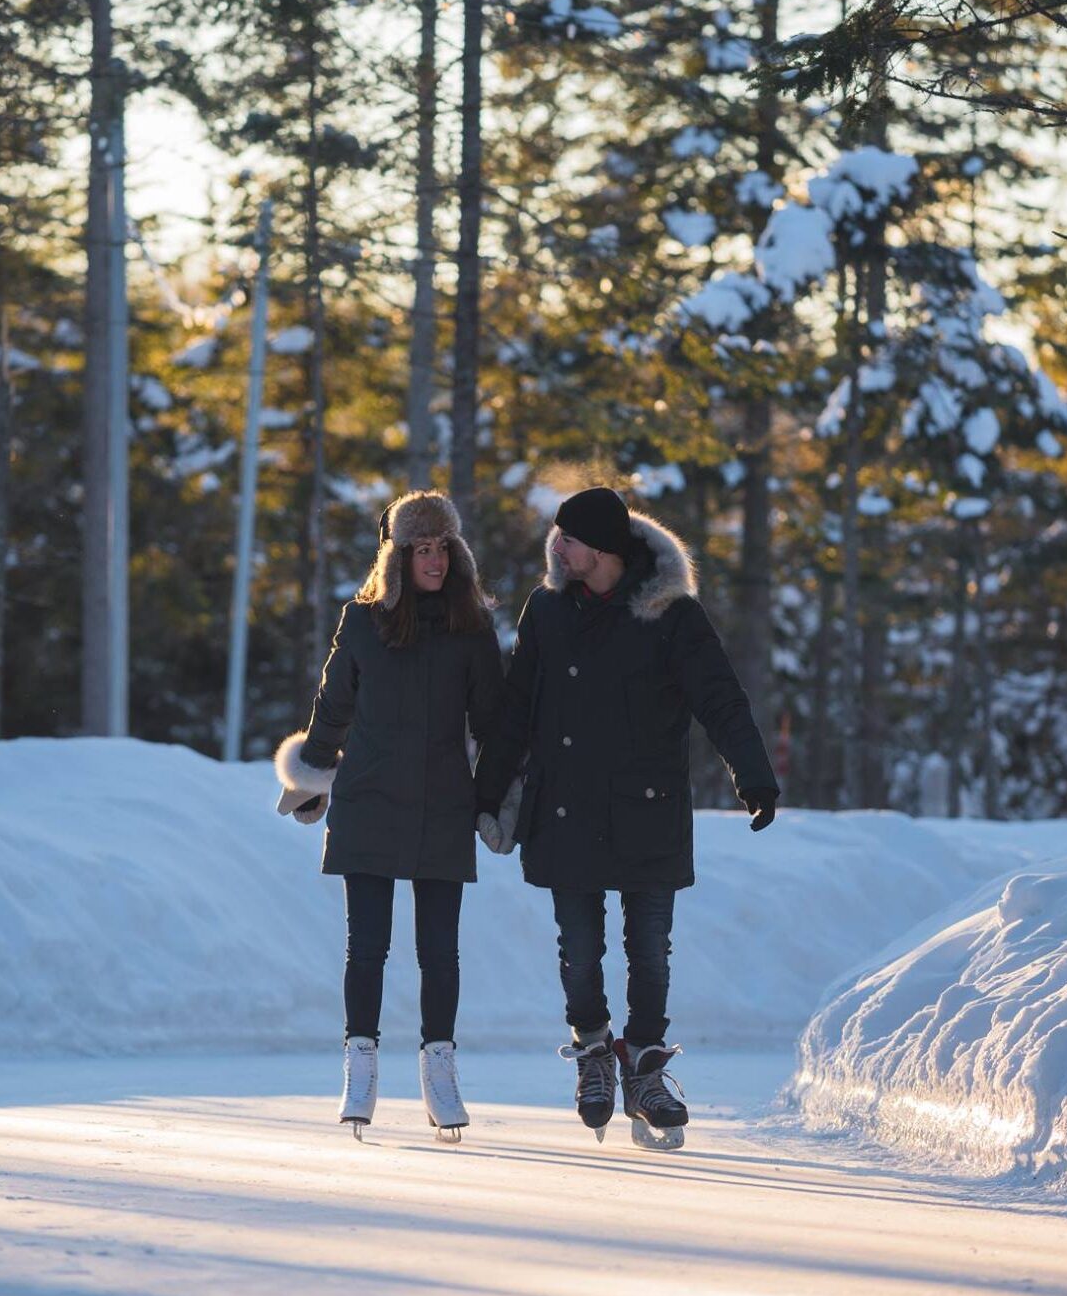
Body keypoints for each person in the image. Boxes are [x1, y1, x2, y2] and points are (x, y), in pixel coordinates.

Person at [473, 486, 778, 1150]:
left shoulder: (670, 614)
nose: (557, 544)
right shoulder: (547, 609)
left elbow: (719, 698)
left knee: (649, 952)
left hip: (647, 808)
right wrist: (485, 789)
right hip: (565, 806)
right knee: (579, 951)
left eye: (571, 536)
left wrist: (752, 773)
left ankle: (642, 1068)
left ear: (605, 549)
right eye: (558, 533)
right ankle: (592, 1051)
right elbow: (517, 705)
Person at [274, 490, 503, 1142]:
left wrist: (491, 799)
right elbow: (331, 708)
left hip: (442, 800)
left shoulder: (472, 628)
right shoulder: (364, 621)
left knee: (439, 949)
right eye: (419, 549)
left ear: (456, 553)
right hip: (369, 796)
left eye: (441, 548)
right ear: (398, 556)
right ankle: (360, 1064)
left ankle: (439, 1070)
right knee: (366, 945)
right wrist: (310, 775)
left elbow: (491, 722)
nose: (433, 559)